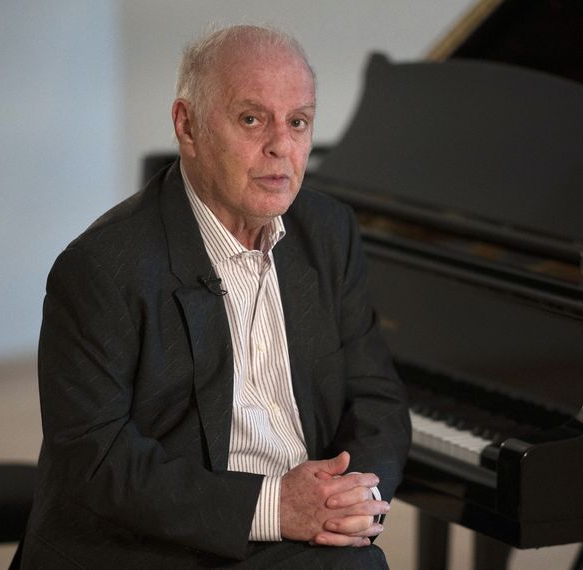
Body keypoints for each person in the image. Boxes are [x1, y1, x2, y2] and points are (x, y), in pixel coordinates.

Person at [21, 25, 411, 568]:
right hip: (153, 540)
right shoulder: (100, 268)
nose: (281, 145)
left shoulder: (328, 230)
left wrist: (355, 498)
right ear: (188, 126)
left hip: (298, 527)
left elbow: (376, 396)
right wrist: (276, 507)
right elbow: (95, 457)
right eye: (252, 119)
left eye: (297, 122)